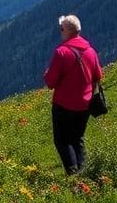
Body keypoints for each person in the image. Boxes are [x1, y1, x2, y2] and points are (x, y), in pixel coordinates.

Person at [43, 15, 103, 175]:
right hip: (84, 104)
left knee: (62, 140)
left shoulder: (61, 52)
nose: (60, 32)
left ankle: (73, 173)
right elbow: (98, 75)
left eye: (61, 29)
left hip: (63, 104)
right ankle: (84, 174)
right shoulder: (91, 51)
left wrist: (47, 73)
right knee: (78, 139)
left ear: (66, 31)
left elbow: (50, 82)